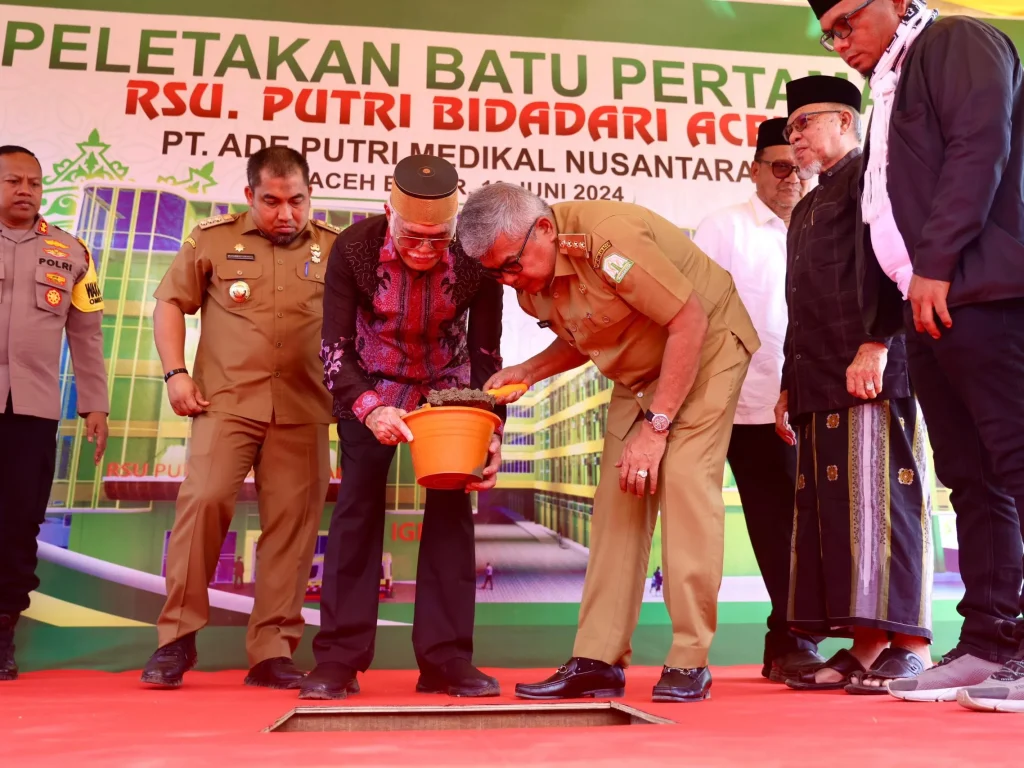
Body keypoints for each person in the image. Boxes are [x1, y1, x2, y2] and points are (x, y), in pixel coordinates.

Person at [459, 183, 760, 703]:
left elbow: (689, 320)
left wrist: (657, 427)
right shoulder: (531, 277)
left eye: (511, 265)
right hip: (640, 370)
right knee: (618, 499)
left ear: (545, 229)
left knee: (685, 484)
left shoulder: (606, 240)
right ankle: (597, 658)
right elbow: (582, 335)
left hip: (707, 348)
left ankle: (690, 659)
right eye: (496, 274)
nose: (508, 282)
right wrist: (529, 371)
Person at [810, 0, 1024, 711]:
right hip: (928, 307)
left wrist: (936, 262)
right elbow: (882, 212)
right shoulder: (891, 84)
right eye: (829, 34)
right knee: (971, 478)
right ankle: (992, 641)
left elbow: (979, 145)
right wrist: (887, 322)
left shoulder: (958, 40)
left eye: (847, 22)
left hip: (986, 292)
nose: (841, 43)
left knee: (1018, 466)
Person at [298, 155, 505, 701]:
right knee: (356, 514)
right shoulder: (355, 248)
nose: (423, 250)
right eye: (413, 236)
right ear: (390, 213)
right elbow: (334, 349)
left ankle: (446, 660)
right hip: (372, 387)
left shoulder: (475, 258)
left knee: (451, 519)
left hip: (448, 392)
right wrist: (368, 407)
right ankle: (339, 660)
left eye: (438, 240)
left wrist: (491, 427)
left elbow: (486, 355)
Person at [140, 146, 340, 690]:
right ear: (250, 196)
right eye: (272, 201)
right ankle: (175, 641)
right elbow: (169, 303)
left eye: (296, 200)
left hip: (303, 409)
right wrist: (175, 373)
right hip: (224, 403)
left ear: (308, 195)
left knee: (293, 532)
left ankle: (271, 651)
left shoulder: (335, 249)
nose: (286, 214)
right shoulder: (212, 239)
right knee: (201, 506)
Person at [773, 75, 933, 695]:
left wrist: (876, 343)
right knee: (839, 514)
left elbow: (898, 269)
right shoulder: (808, 206)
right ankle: (867, 645)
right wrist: (790, 383)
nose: (796, 141)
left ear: (844, 121)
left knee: (884, 504)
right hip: (817, 380)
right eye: (789, 131)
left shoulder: (877, 179)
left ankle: (912, 644)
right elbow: (800, 304)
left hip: (873, 369)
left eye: (804, 125)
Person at [692, 118, 824, 684]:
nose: (790, 177)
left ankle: (789, 638)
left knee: (790, 529)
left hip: (796, 403)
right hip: (728, 402)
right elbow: (694, 310)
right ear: (754, 171)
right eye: (778, 166)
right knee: (720, 526)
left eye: (799, 166)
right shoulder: (723, 228)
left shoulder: (826, 226)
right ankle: (697, 650)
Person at [0, 146, 109, 681]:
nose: (25, 189)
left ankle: (2, 634)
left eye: (34, 182)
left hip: (33, 413)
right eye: (13, 180)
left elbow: (87, 335)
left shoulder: (72, 253)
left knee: (19, 521)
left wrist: (95, 404)